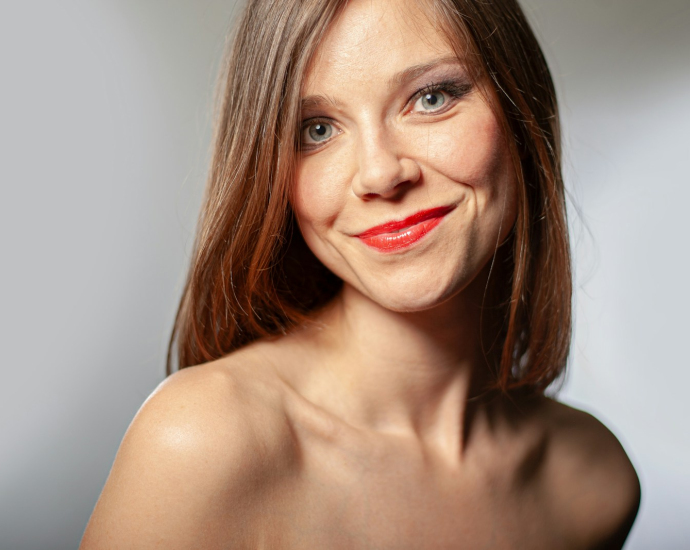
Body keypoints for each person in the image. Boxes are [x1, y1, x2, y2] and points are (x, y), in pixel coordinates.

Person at [80, 0, 641, 547]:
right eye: (317, 130)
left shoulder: (592, 485)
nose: (379, 173)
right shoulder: (202, 443)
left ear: (522, 105)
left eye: (431, 96)